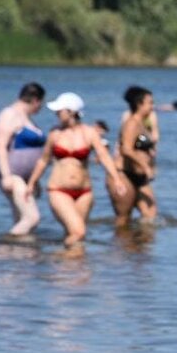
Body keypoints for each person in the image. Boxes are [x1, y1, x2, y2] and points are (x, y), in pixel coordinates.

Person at [26, 92, 126, 247]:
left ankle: (71, 269)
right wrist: (32, 183)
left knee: (74, 234)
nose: (56, 113)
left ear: (72, 112)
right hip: (58, 190)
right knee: (79, 232)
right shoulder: (55, 133)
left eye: (60, 110)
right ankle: (59, 261)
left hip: (84, 192)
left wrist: (117, 179)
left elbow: (104, 156)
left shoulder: (89, 133)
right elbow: (44, 160)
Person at [0, 82, 47, 235]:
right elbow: (0, 145)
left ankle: (19, 255)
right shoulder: (9, 114)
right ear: (35, 100)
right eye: (41, 103)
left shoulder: (27, 118)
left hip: (26, 178)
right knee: (32, 218)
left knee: (22, 220)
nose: (41, 107)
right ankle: (4, 247)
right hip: (13, 175)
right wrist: (6, 177)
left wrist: (34, 180)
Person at [114, 86, 158, 227]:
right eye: (150, 102)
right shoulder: (131, 123)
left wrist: (150, 156)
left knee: (150, 215)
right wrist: (145, 166)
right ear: (139, 104)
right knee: (124, 218)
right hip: (125, 174)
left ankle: (139, 246)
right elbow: (126, 149)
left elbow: (140, 147)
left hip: (140, 177)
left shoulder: (142, 123)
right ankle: (120, 247)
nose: (153, 106)